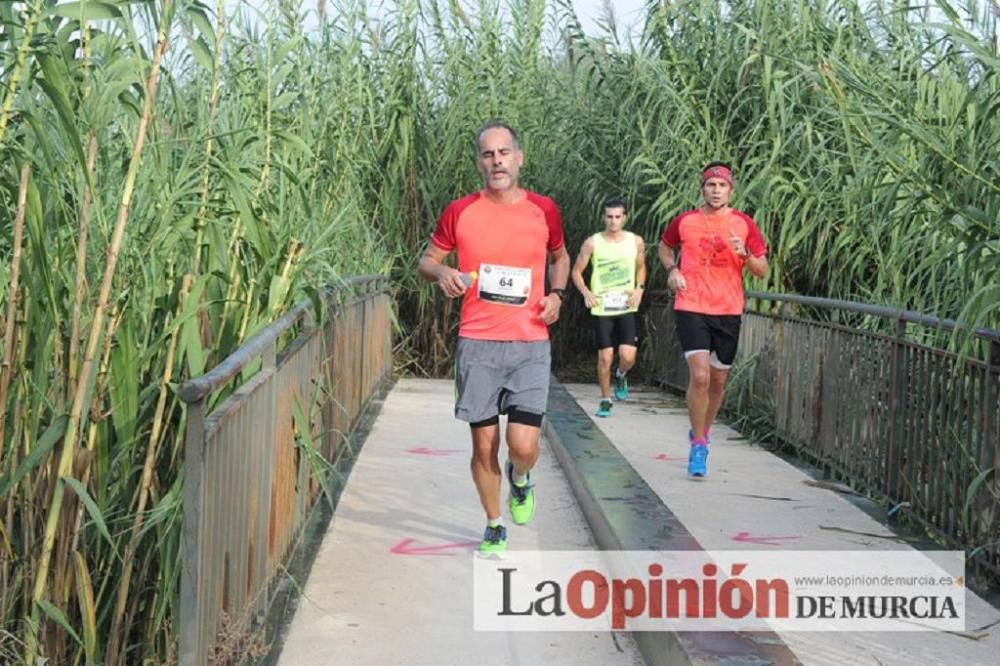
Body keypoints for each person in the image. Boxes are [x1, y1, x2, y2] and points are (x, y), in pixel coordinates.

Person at [418, 120, 570, 554]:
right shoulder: (459, 210)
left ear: (519, 158)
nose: (497, 160)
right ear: (479, 163)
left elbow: (560, 257)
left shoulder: (544, 209)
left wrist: (557, 295)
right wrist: (443, 271)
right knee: (483, 445)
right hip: (478, 343)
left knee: (523, 445)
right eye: (488, 154)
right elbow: (426, 261)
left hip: (530, 343)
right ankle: (494, 522)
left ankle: (520, 478)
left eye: (504, 152)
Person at [658, 161, 768, 478]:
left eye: (721, 186)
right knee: (701, 377)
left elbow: (763, 270)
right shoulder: (685, 221)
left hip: (728, 310)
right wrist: (672, 270)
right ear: (702, 188)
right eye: (710, 185)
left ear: (731, 190)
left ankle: (701, 433)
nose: (716, 191)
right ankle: (700, 446)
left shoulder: (745, 224)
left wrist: (745, 254)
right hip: (691, 305)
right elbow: (665, 248)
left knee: (718, 383)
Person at [570, 196, 646, 417]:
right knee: (605, 357)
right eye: (610, 217)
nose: (613, 222)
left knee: (628, 355)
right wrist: (586, 293)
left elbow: (641, 268)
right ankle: (605, 399)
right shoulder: (592, 242)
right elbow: (576, 272)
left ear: (625, 218)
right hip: (602, 307)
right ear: (604, 218)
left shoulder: (635, 241)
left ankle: (621, 375)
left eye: (618, 217)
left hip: (626, 305)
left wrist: (639, 288)